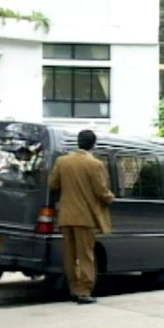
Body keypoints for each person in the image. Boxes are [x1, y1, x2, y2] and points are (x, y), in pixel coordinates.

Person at [48, 130, 115, 304]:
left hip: (66, 216)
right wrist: (110, 197)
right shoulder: (95, 164)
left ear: (78, 143)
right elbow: (101, 191)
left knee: (69, 255)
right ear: (93, 145)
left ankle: (72, 288)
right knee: (85, 255)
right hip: (85, 218)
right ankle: (84, 291)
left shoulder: (62, 162)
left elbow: (53, 184)